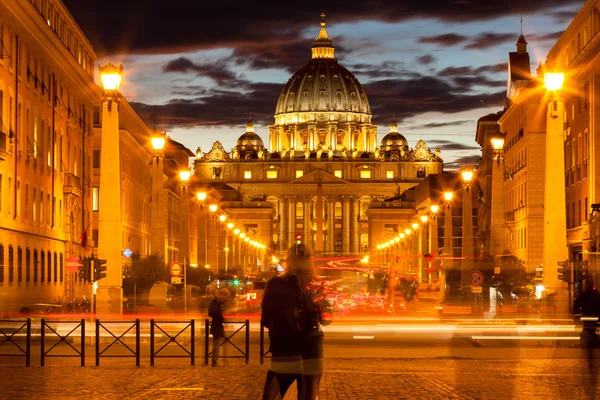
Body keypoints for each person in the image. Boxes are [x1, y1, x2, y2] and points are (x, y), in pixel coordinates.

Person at [261, 242, 329, 400]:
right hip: (311, 352)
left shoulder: (275, 284)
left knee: (272, 396)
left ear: (288, 260)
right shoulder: (316, 285)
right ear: (310, 260)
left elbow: (266, 319)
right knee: (308, 397)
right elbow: (325, 319)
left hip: (284, 349)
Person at [208, 288, 229, 366]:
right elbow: (213, 313)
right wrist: (222, 317)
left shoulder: (218, 303)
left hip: (218, 325)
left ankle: (223, 360)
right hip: (217, 326)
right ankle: (215, 361)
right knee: (216, 344)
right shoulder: (215, 302)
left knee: (224, 341)